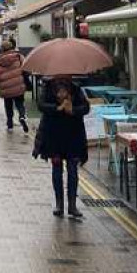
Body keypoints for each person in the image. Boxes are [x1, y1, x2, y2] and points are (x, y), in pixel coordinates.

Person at [35, 78, 90, 219]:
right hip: (54, 136)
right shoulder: (48, 88)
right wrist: (57, 108)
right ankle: (59, 204)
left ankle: (72, 205)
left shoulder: (76, 89)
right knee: (57, 169)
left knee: (72, 169)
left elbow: (86, 108)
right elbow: (41, 105)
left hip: (73, 136)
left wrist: (72, 110)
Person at [0, 40, 29, 133]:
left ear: (2, 49)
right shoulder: (19, 57)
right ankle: (22, 116)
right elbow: (26, 68)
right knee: (20, 103)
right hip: (18, 85)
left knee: (8, 106)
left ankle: (10, 124)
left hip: (6, 88)